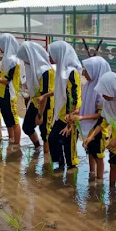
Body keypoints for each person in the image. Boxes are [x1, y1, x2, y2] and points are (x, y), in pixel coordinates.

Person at [47, 41, 82, 169]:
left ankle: (71, 180)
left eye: (51, 54)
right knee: (53, 139)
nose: (49, 57)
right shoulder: (61, 71)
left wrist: (70, 123)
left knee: (69, 149)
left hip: (69, 117)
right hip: (61, 115)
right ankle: (60, 167)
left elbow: (74, 98)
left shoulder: (71, 73)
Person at [16, 42, 55, 150]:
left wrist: (40, 115)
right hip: (35, 101)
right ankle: (38, 147)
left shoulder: (45, 71)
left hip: (45, 105)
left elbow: (44, 95)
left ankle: (47, 160)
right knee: (27, 127)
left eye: (24, 59)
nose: (24, 62)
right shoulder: (31, 67)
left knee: (45, 133)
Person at [79, 56, 111, 180]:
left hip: (98, 128)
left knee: (98, 155)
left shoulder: (102, 90)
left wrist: (82, 117)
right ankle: (91, 174)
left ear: (94, 71)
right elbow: (84, 105)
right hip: (88, 125)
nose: (84, 73)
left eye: (86, 70)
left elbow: (101, 114)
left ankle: (99, 180)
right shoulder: (89, 86)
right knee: (90, 151)